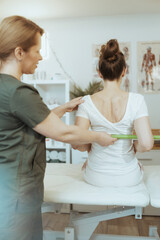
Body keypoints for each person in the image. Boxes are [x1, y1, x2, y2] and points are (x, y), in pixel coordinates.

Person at [0, 16, 116, 240]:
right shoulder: (19, 92)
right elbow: (64, 133)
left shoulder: (6, 89)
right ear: (19, 52)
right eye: (37, 50)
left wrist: (62, 109)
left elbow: (26, 124)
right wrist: (99, 137)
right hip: (17, 196)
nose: (41, 57)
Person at [72, 39, 154, 187]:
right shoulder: (137, 100)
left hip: (95, 176)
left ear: (99, 73)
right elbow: (147, 144)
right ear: (124, 71)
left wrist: (90, 149)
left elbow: (78, 143)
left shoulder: (86, 102)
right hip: (128, 177)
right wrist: (134, 147)